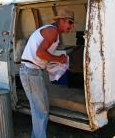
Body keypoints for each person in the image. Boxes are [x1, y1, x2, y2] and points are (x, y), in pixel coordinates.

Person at [19, 8, 75, 138]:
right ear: (61, 20)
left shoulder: (52, 31)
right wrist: (59, 59)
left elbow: (42, 54)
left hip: (33, 71)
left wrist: (54, 62)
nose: (71, 26)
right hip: (30, 72)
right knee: (41, 110)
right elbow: (40, 53)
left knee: (41, 109)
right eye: (70, 22)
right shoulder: (52, 31)